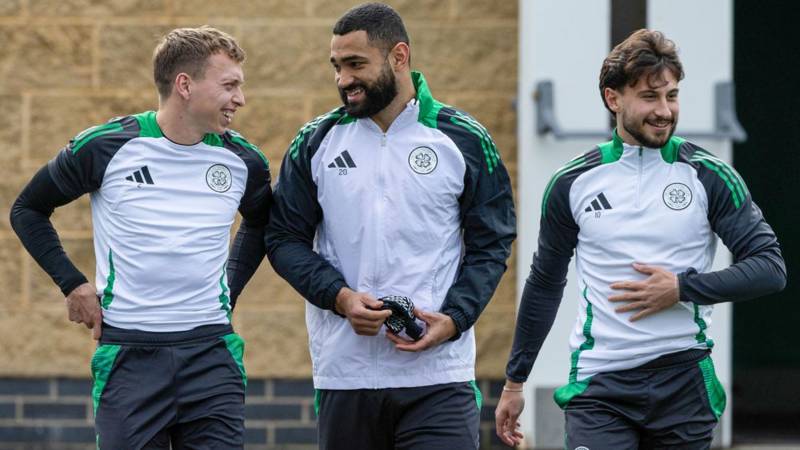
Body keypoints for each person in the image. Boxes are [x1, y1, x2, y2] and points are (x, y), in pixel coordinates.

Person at [495, 29, 786, 449]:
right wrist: (514, 381)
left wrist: (682, 287)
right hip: (601, 386)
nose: (665, 110)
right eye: (650, 97)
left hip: (684, 379)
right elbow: (544, 284)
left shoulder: (709, 175)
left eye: (672, 96)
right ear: (613, 99)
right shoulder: (571, 183)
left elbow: (769, 269)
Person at [264, 3, 515, 449]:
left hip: (438, 375)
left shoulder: (464, 139)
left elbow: (492, 244)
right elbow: (283, 239)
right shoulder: (315, 142)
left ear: (399, 57)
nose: (343, 80)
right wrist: (339, 297)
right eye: (337, 67)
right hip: (346, 372)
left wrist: (455, 319)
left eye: (356, 64)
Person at [9, 26, 271, 449]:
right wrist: (72, 284)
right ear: (184, 85)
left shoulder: (245, 161)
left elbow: (262, 225)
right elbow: (27, 210)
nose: (240, 98)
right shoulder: (106, 146)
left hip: (212, 356)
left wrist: (230, 287)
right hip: (129, 359)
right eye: (229, 85)